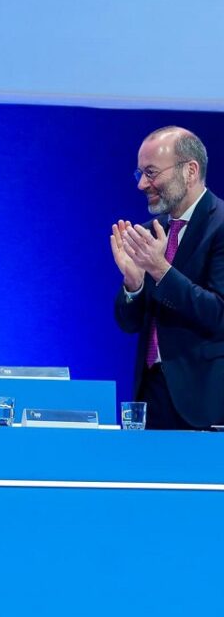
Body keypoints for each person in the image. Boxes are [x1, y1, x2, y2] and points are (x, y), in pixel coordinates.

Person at [111, 126, 224, 429]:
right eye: (140, 174)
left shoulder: (220, 225)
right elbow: (129, 324)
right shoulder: (152, 232)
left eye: (151, 172)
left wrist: (161, 271)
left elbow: (219, 314)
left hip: (205, 403)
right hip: (151, 395)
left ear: (190, 171)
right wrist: (133, 285)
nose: (141, 184)